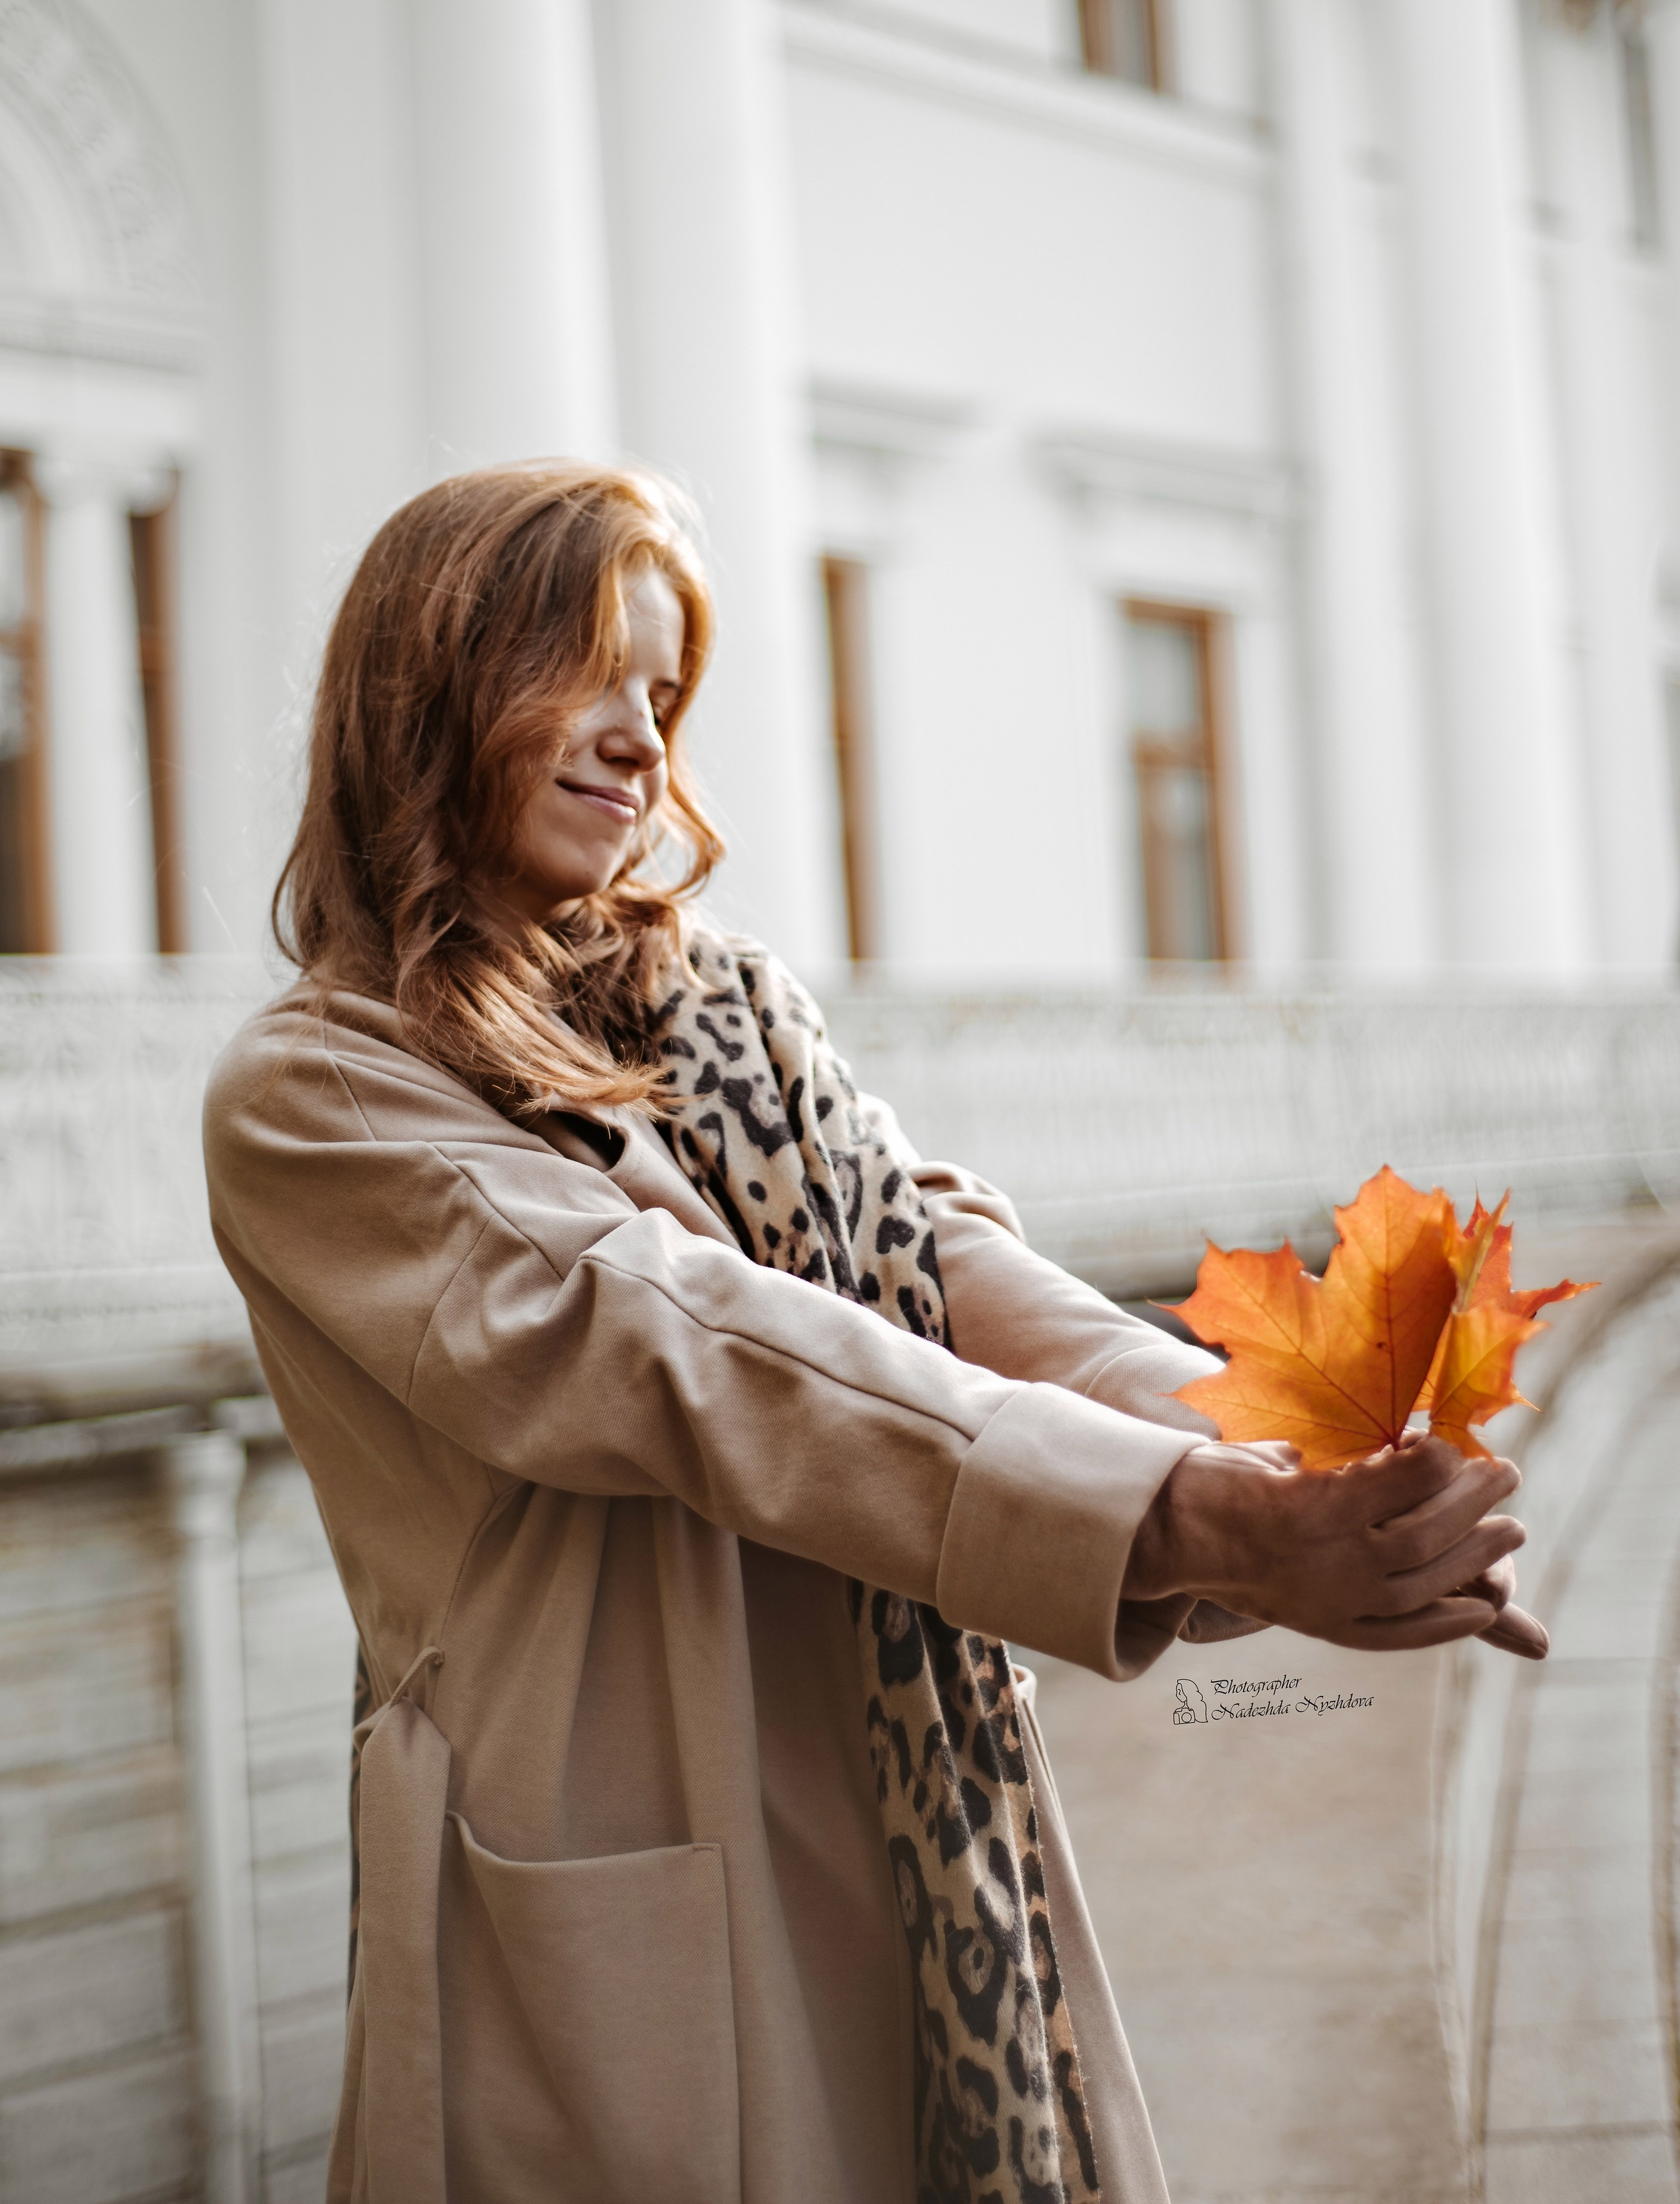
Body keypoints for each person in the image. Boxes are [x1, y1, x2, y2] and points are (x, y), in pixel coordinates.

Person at [203, 462, 1540, 2204]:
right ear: (437, 676)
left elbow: (926, 1262)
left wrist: (1261, 1441)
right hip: (610, 1885)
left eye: (662, 695)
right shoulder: (315, 1093)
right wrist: (1199, 1522)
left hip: (905, 1801)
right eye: (591, 673)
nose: (639, 743)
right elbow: (683, 1342)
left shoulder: (728, 1018)